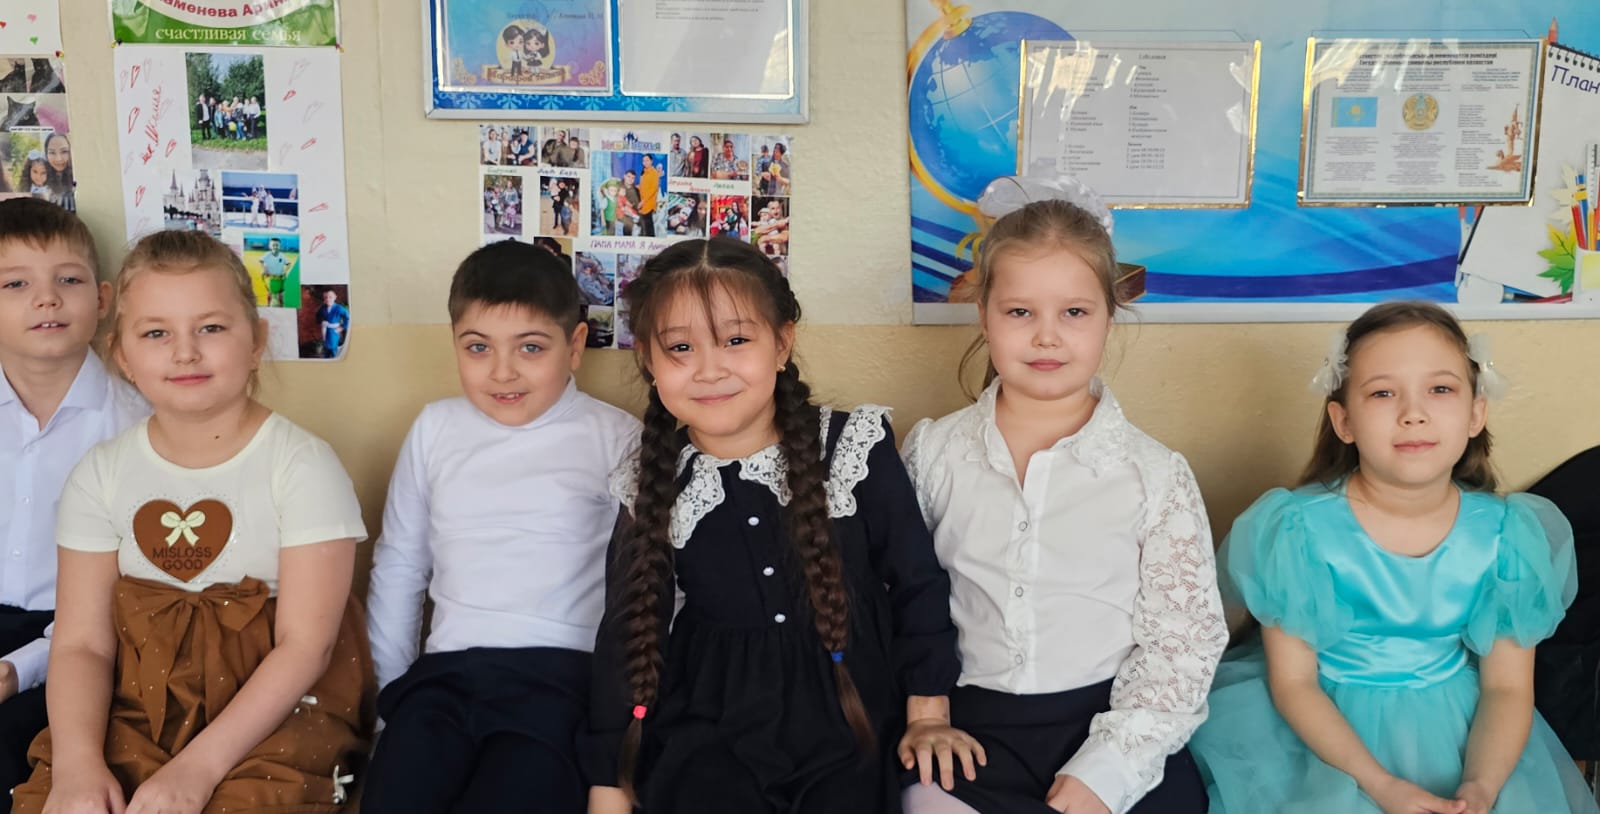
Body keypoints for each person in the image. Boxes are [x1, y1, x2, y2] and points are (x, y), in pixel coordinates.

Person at [584, 238, 978, 813]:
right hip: (708, 726)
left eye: (736, 340)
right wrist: (608, 784)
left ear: (782, 343)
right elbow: (625, 636)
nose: (709, 369)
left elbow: (916, 582)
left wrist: (928, 715)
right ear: (647, 358)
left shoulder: (852, 447)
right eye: (681, 348)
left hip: (851, 715)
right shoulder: (647, 483)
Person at [12, 229, 373, 814]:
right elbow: (81, 644)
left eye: (211, 328)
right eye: (156, 333)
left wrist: (197, 771)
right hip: (138, 707)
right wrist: (78, 768)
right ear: (122, 356)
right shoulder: (100, 473)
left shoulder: (301, 465)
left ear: (256, 341)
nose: (185, 352)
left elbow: (306, 646)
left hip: (274, 713)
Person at [1188, 301, 1598, 814]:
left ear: (1476, 413)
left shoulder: (1507, 535)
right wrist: (1380, 785)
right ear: (1343, 421)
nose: (1413, 412)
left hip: (1463, 727)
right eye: (1383, 393)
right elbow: (1294, 683)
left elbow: (1508, 689)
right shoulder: (1295, 529)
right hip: (1321, 730)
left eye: (1440, 389)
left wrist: (1482, 787)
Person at [899, 176, 1224, 814]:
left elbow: (1183, 644)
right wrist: (925, 715)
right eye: (1020, 312)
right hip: (965, 734)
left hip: (1109, 726)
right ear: (984, 314)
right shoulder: (935, 453)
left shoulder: (1154, 474)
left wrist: (1108, 771)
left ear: (1109, 316)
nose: (1046, 336)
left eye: (1074, 312)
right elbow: (900, 595)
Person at [363, 241, 639, 814]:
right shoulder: (435, 428)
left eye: (530, 347)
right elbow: (400, 566)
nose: (502, 371)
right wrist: (391, 700)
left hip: (560, 679)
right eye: (478, 347)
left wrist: (625, 722)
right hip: (443, 678)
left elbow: (652, 587)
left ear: (575, 347)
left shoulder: (616, 437)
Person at [0, 199, 148, 814]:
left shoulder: (137, 428)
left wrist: (19, 668)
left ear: (103, 299)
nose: (47, 299)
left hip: (80, 640)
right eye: (15, 284)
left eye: (68, 279)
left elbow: (129, 593)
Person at [42, 133, 73, 212]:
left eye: (64, 151)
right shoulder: (41, 178)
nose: (58, 159)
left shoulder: (79, 176)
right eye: (52, 152)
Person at [315, 288, 349, 359]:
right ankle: (326, 359)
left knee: (333, 348)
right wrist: (321, 322)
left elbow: (348, 318)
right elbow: (318, 316)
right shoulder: (323, 308)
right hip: (325, 330)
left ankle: (335, 359)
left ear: (335, 297)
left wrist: (342, 327)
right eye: (325, 297)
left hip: (334, 331)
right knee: (326, 347)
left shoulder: (339, 308)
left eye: (330, 297)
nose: (328, 299)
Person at [259, 237, 291, 308]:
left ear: (280, 246)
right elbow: (261, 261)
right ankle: (268, 305)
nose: (275, 247)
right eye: (273, 245)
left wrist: (285, 271)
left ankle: (282, 306)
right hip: (270, 278)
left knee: (281, 294)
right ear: (270, 246)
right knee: (270, 293)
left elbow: (288, 264)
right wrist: (264, 270)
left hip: (280, 278)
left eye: (277, 245)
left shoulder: (282, 255)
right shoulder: (267, 254)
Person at [637, 155, 661, 237]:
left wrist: (643, 201)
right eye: (643, 161)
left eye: (647, 160)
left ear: (651, 161)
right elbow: (642, 186)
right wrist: (636, 187)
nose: (645, 162)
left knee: (648, 227)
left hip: (649, 203)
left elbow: (653, 189)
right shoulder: (644, 172)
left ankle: (650, 241)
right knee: (646, 226)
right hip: (643, 203)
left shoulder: (654, 173)